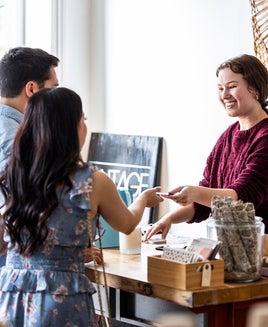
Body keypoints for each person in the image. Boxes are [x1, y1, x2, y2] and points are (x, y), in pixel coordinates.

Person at [0, 87, 163, 326]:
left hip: (14, 294)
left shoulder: (13, 175)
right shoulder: (92, 181)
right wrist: (143, 200)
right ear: (71, 127)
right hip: (61, 298)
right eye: (83, 118)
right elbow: (127, 224)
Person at [143, 54, 268, 242]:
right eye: (220, 88)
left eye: (232, 87)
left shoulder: (265, 137)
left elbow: (242, 199)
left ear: (255, 88)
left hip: (260, 254)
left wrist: (195, 192)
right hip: (227, 249)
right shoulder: (228, 136)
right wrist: (168, 219)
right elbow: (206, 202)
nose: (224, 95)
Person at [0, 47, 60, 266]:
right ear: (32, 88)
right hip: (12, 261)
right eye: (53, 89)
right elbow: (24, 209)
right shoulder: (16, 140)